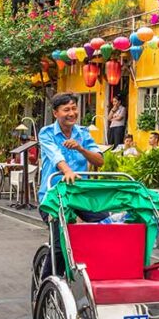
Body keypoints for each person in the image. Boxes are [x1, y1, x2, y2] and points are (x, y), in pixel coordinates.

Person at [38, 92, 104, 279]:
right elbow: (55, 155)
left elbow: (99, 161)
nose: (72, 113)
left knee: (105, 224)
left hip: (80, 195)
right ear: (55, 113)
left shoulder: (83, 133)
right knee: (60, 245)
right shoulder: (47, 133)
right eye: (66, 109)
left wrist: (80, 148)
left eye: (74, 108)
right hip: (53, 197)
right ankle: (46, 289)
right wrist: (66, 170)